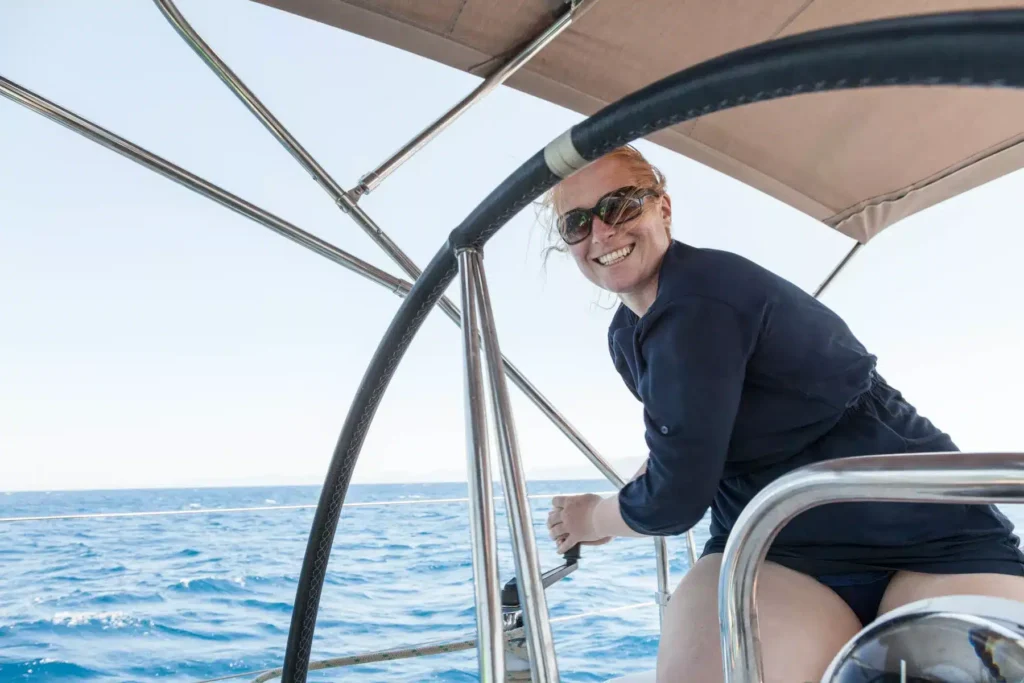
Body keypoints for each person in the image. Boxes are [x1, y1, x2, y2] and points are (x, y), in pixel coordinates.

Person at [542, 144, 1024, 682]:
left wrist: (591, 518)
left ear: (663, 209)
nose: (602, 232)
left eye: (622, 204)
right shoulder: (626, 334)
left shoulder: (704, 295)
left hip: (926, 538)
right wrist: (628, 500)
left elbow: (674, 500)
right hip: (771, 546)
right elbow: (691, 442)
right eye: (577, 222)